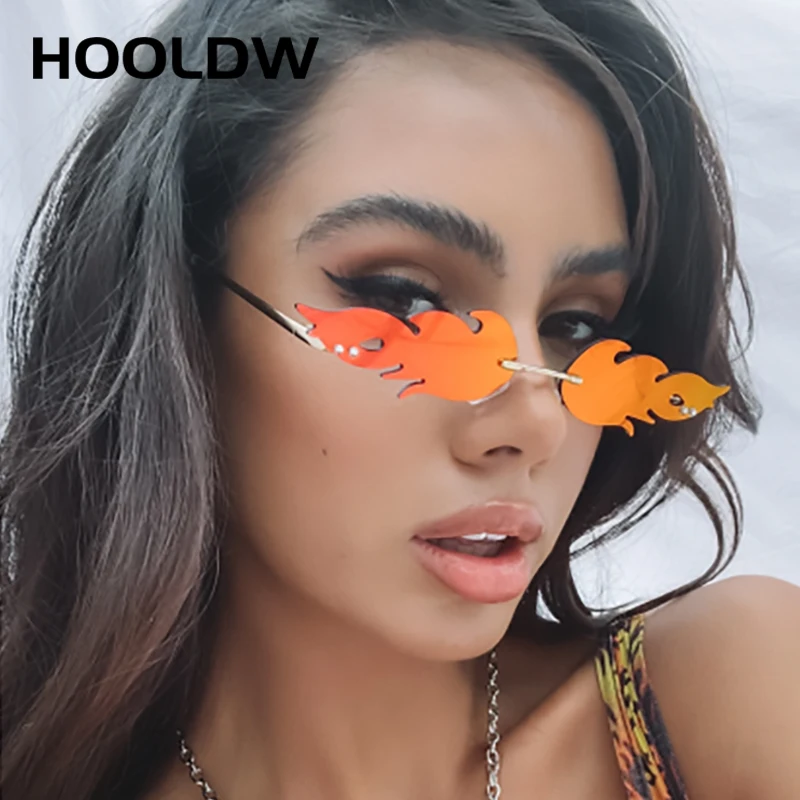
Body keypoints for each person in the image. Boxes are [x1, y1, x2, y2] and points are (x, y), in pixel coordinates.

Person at [2, 1, 799, 798]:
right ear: (180, 312)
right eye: (406, 299)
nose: (537, 421)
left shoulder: (725, 704)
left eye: (574, 325)